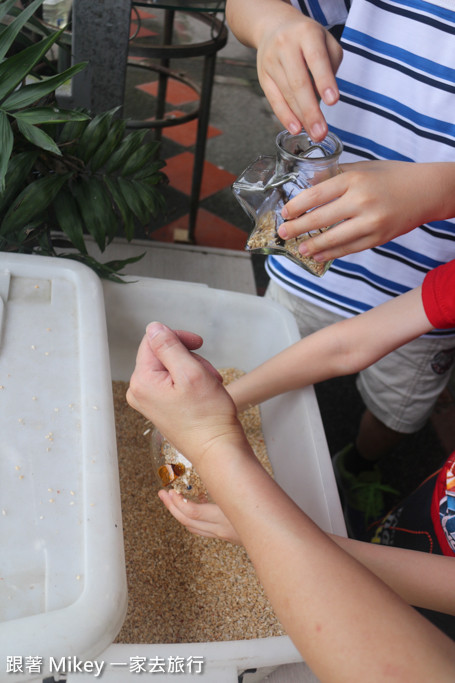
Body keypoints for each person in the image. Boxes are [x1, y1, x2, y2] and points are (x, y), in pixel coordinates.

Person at [126, 260, 455, 682]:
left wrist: (257, 522)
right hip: (426, 519)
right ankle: (360, 495)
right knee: (389, 535)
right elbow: (345, 345)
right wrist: (224, 402)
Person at [225, 0, 455, 527]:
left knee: (397, 410)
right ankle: (253, 448)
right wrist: (272, 23)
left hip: (428, 286)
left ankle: (359, 463)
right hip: (309, 260)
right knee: (272, 366)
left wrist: (442, 190)